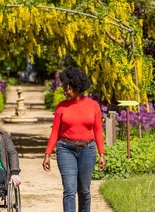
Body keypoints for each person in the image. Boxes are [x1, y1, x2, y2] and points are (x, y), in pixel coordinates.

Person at [43, 67, 106, 212]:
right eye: (64, 88)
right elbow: (54, 133)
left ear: (77, 87)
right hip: (66, 149)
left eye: (67, 88)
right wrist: (47, 154)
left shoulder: (93, 106)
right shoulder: (61, 107)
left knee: (84, 190)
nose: (64, 91)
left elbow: (98, 131)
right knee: (70, 190)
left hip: (88, 150)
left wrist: (102, 154)